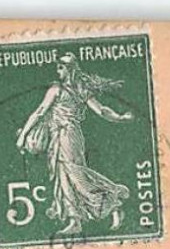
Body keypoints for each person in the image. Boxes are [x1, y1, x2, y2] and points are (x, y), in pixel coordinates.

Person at [16, 53, 134, 237]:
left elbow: (100, 110)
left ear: (70, 69)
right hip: (59, 136)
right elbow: (101, 111)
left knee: (75, 173)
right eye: (58, 67)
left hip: (68, 135)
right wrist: (119, 118)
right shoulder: (74, 90)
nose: (58, 70)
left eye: (61, 67)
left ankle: (112, 197)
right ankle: (75, 220)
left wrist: (23, 135)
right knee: (64, 176)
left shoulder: (64, 89)